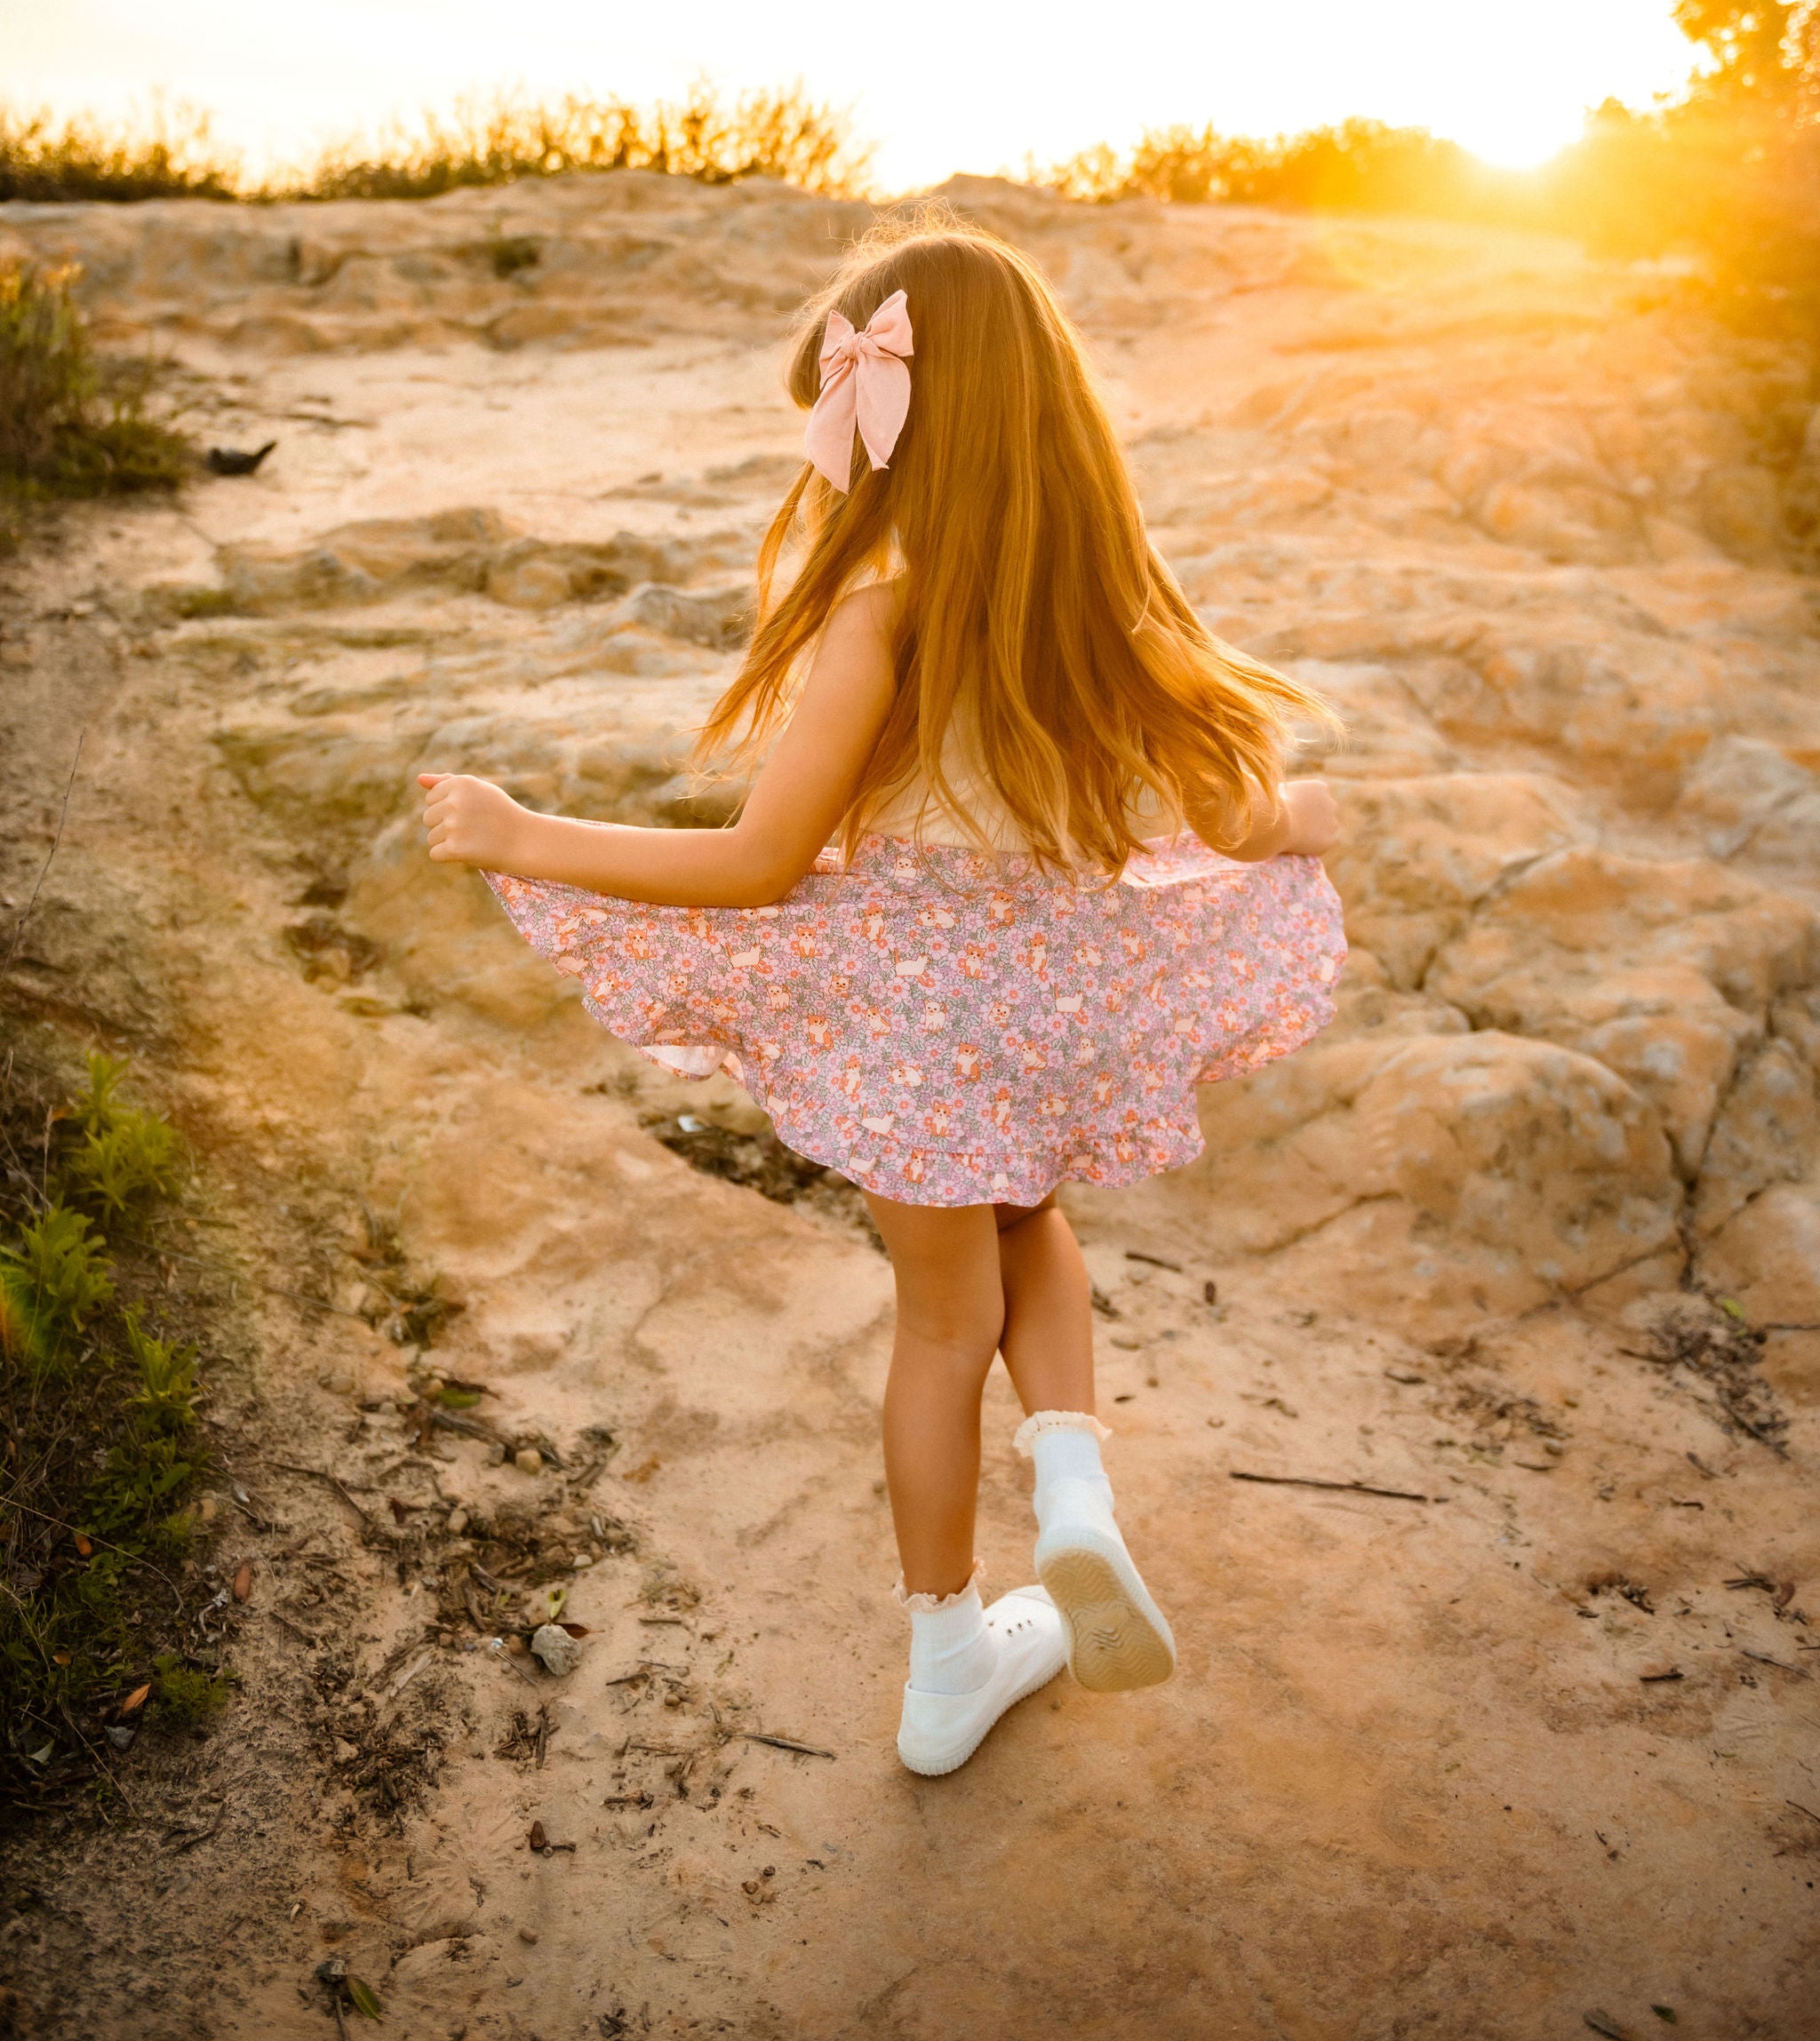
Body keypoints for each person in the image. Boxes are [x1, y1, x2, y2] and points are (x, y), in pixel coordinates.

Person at [419, 215, 1344, 1780]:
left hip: (914, 1023)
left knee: (936, 1328)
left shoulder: (886, 606)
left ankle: (942, 1665)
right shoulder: (1111, 602)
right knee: (1031, 1218)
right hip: (1062, 995)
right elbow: (1232, 819)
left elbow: (760, 861)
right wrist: (1315, 821)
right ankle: (1073, 1490)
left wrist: (525, 833)